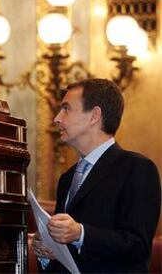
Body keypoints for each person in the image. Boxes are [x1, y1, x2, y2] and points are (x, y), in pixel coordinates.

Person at [32, 78, 161, 273]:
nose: (57, 118)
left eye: (66, 108)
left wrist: (80, 234)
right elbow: (66, 255)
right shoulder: (67, 178)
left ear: (94, 115)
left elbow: (138, 246)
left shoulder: (137, 168)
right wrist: (46, 253)